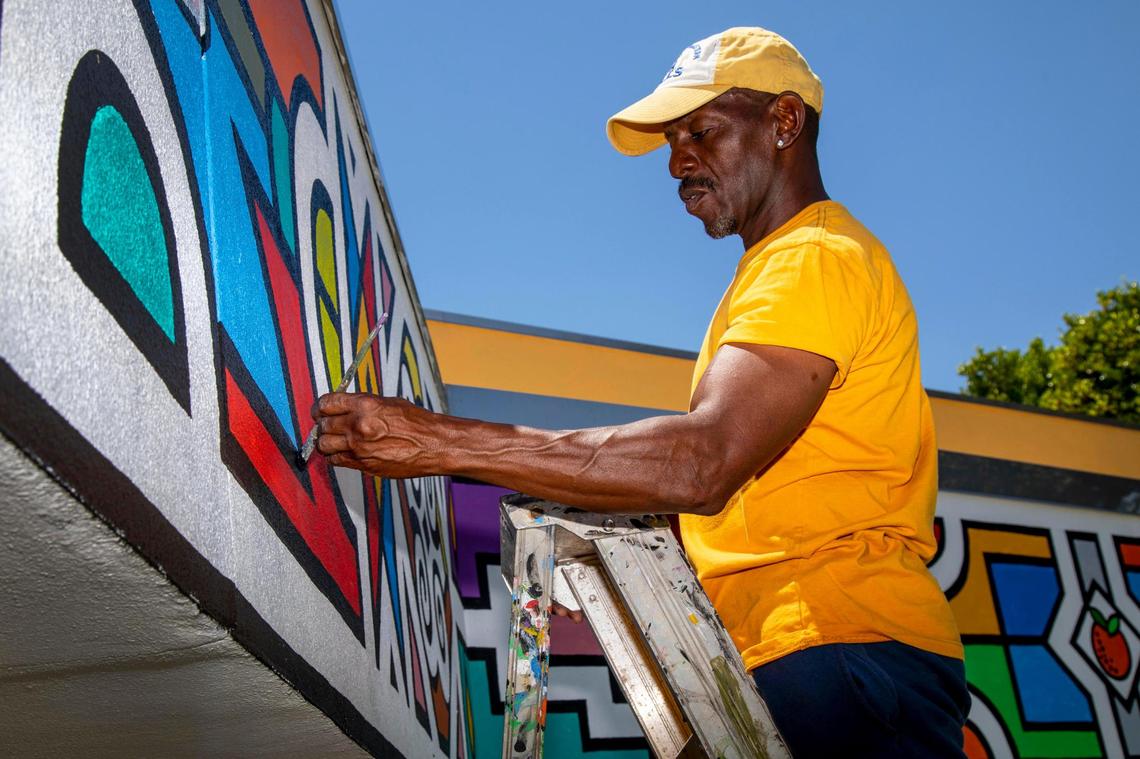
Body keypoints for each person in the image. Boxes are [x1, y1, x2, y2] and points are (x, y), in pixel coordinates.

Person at [313, 26, 968, 757]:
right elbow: (730, 483)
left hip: (837, 651)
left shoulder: (811, 259)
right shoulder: (788, 269)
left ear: (784, 122)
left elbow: (703, 462)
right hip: (803, 654)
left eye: (701, 131)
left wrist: (439, 440)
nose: (678, 161)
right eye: (671, 141)